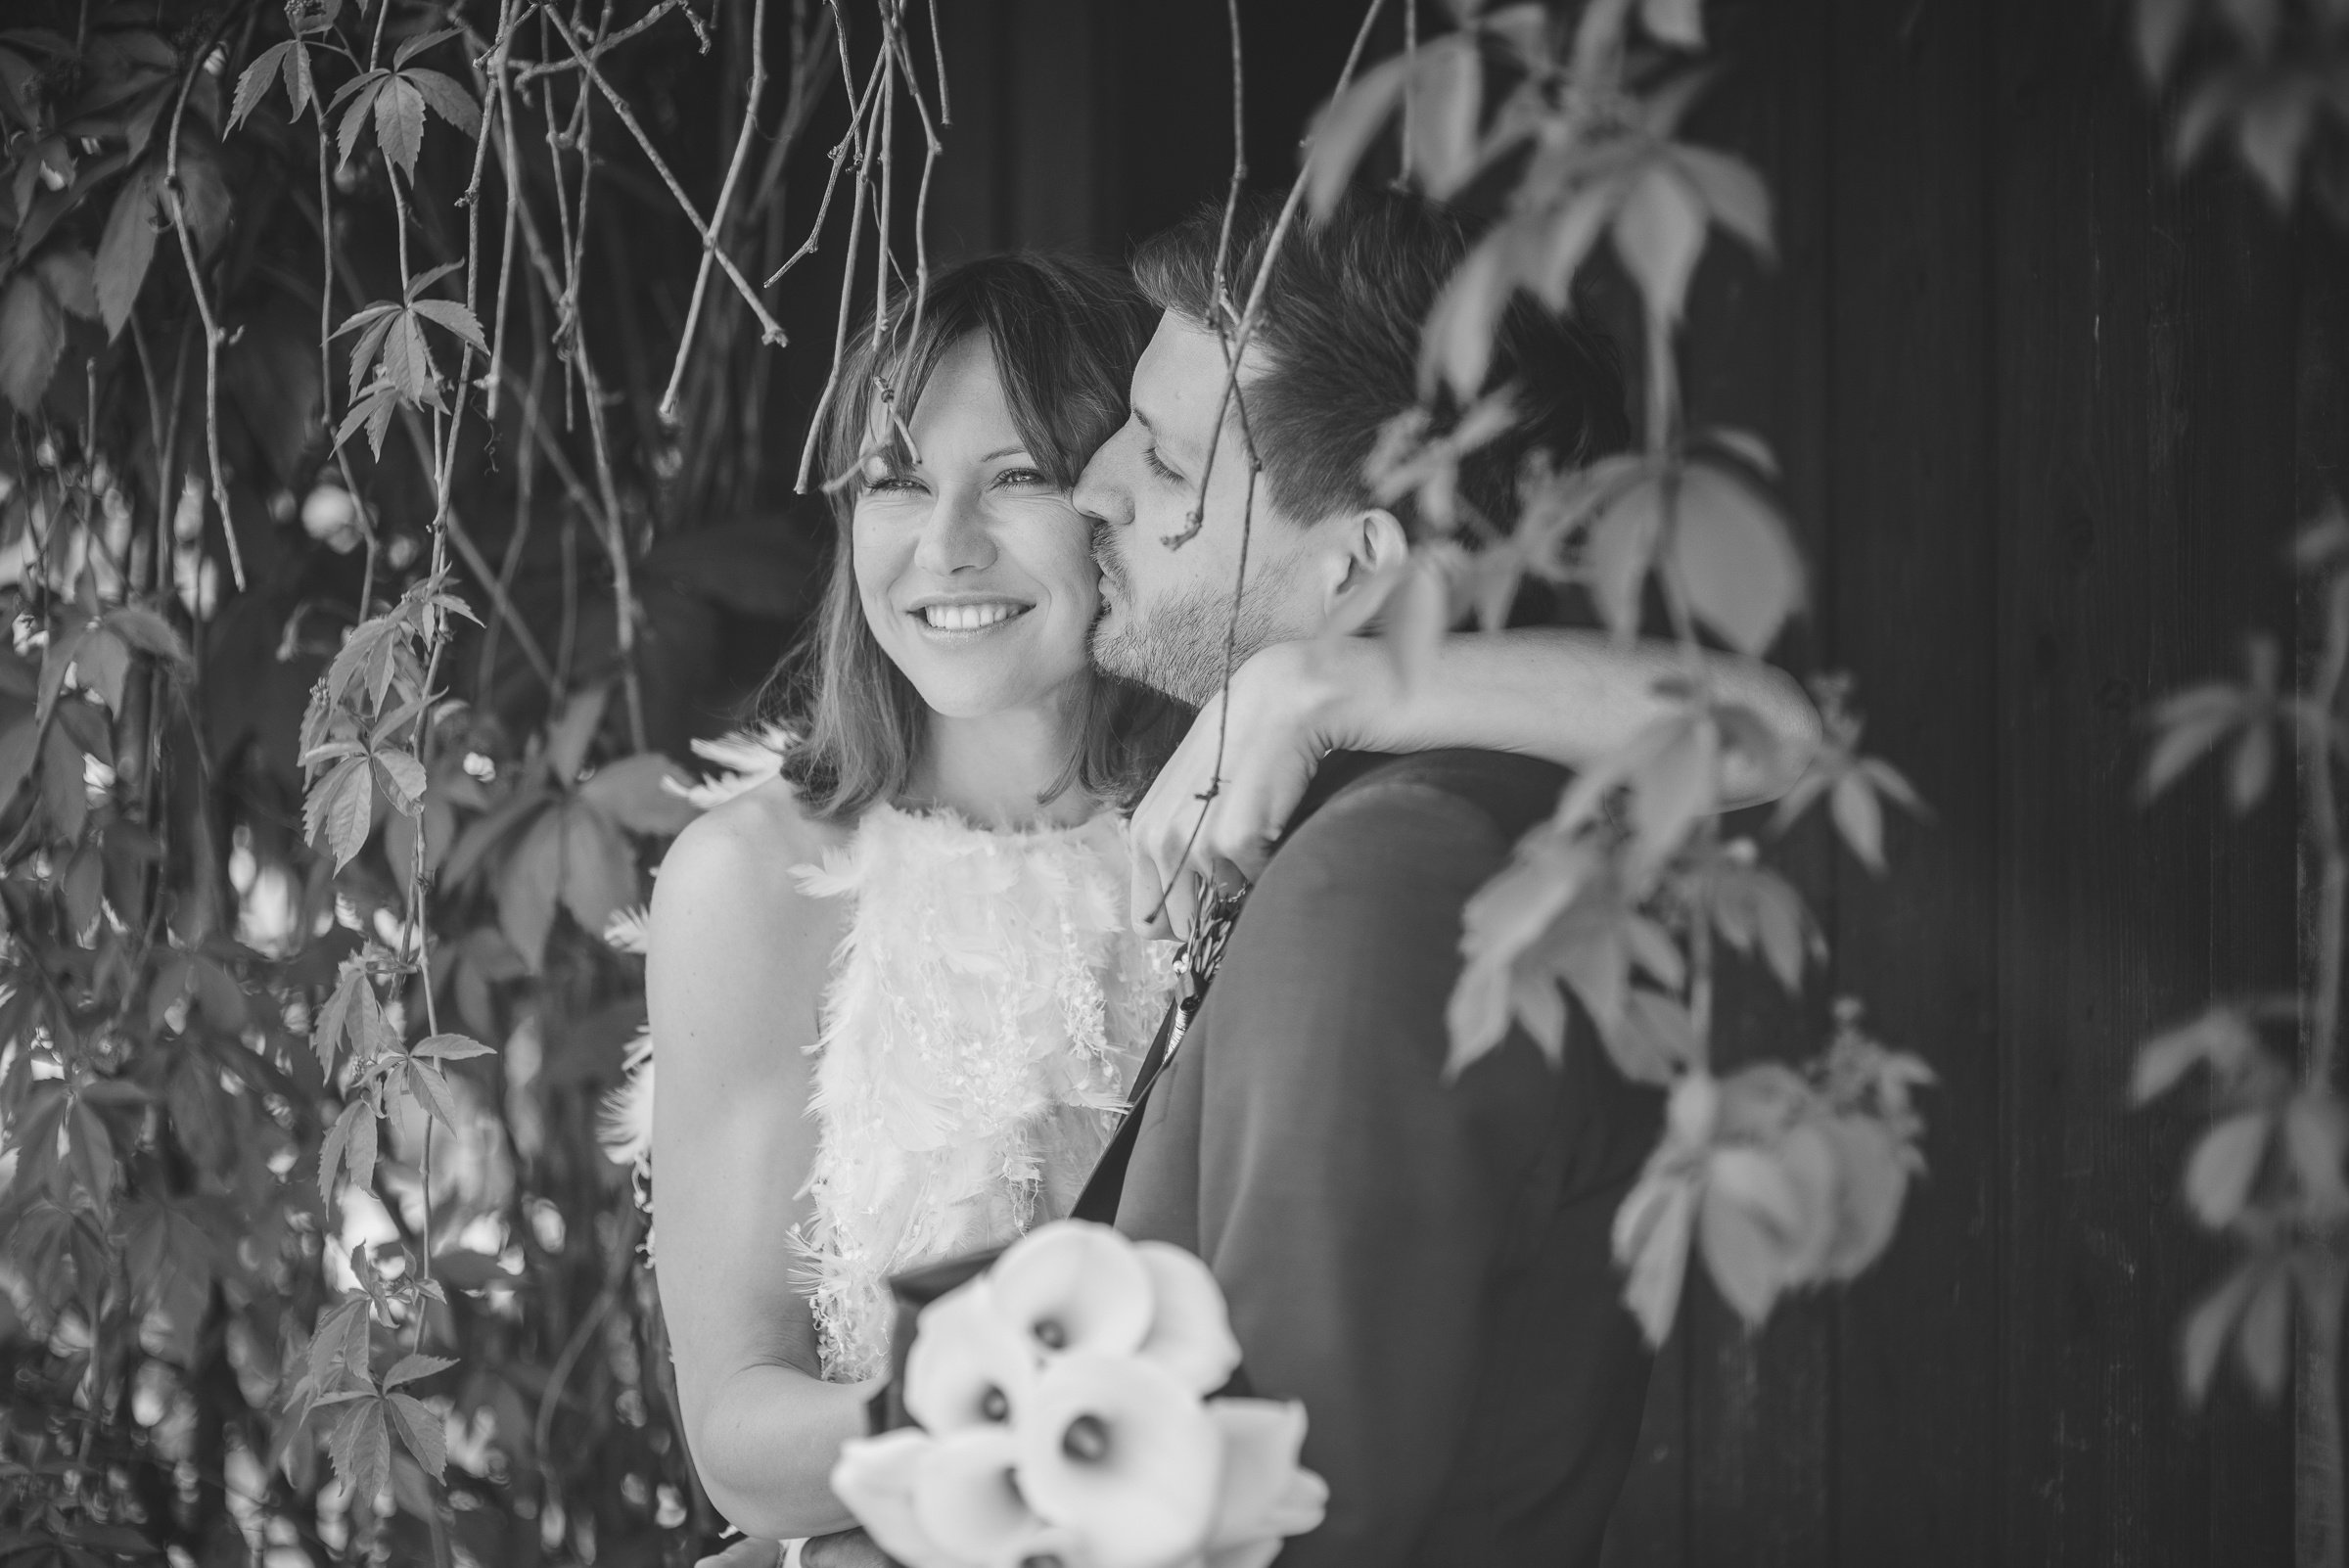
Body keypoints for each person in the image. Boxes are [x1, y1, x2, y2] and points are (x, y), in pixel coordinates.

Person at [647, 245, 1811, 1566]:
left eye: (1021, 473)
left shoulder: (1259, 796)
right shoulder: (753, 879)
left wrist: (1324, 687)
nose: (944, 544)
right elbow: (736, 1432)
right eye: (894, 481)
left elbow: (1770, 735)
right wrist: (986, 1424)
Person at [1074, 188, 1683, 1567]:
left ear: (1360, 568)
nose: (1090, 486)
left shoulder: (1385, 880)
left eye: (1167, 464)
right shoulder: (1441, 822)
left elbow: (1297, 1514)